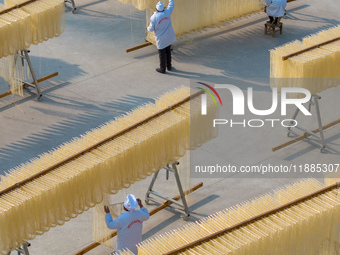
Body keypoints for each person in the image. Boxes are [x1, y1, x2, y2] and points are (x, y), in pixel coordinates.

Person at [147, 0, 176, 74]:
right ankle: (169, 66)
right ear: (163, 8)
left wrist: (147, 28)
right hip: (168, 36)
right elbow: (171, 3)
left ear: (156, 9)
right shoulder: (167, 12)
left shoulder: (153, 17)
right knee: (168, 51)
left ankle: (162, 69)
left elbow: (151, 29)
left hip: (160, 38)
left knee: (162, 53)